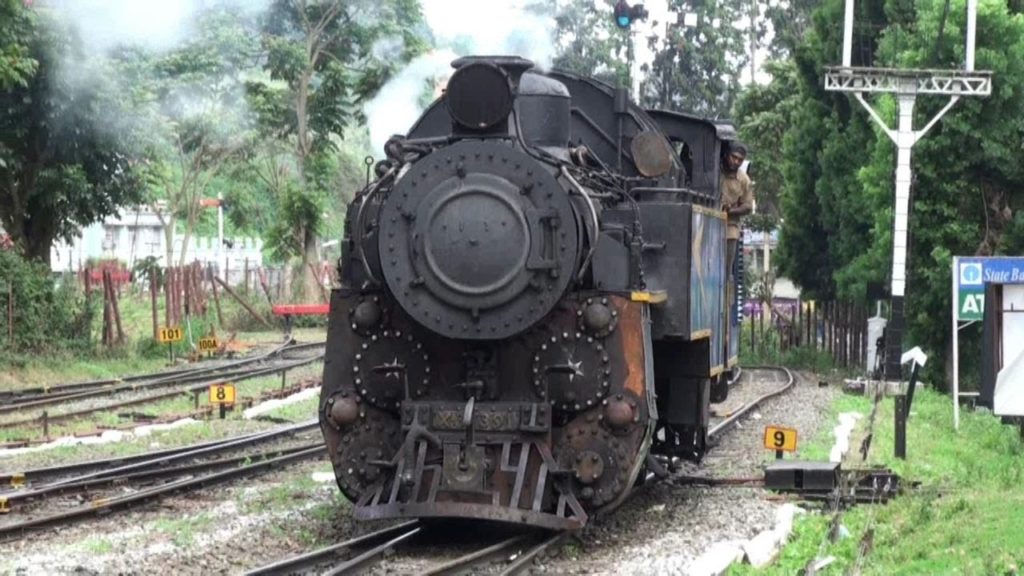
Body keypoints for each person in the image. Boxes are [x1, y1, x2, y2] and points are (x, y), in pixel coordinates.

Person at [720, 142, 754, 276]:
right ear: (727, 155)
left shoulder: (744, 180)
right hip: (706, 221)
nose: (736, 161)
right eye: (733, 157)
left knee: (726, 269)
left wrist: (731, 210)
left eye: (740, 160)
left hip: (729, 226)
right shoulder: (715, 172)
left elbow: (748, 206)